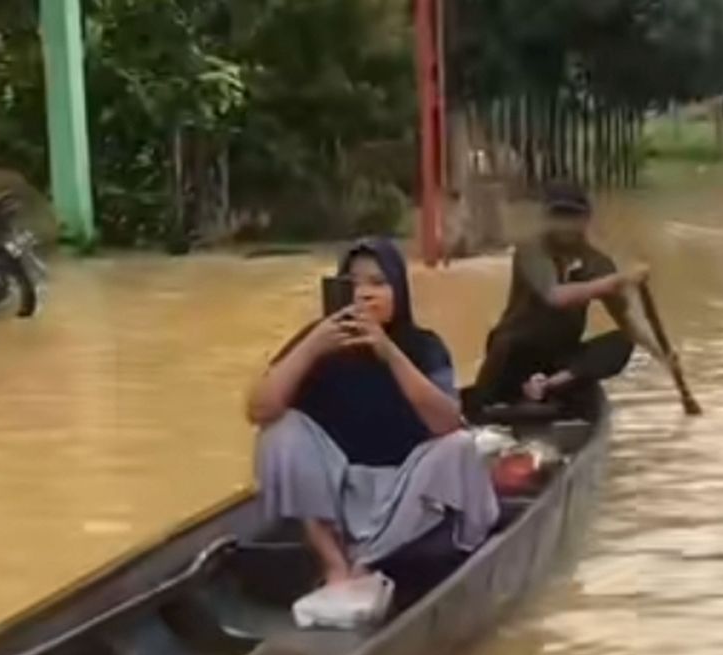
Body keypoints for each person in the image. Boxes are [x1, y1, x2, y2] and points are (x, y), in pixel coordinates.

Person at [248, 238, 499, 586]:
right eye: (353, 284)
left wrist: (387, 351)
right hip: (338, 490)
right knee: (278, 432)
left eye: (378, 284)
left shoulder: (422, 345)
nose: (364, 294)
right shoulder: (318, 342)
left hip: (407, 497)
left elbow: (447, 422)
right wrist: (312, 346)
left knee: (461, 447)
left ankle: (367, 562)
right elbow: (259, 409)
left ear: (399, 291)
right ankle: (334, 562)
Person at [471, 181, 661, 415]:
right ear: (546, 219)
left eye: (572, 216)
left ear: (585, 219)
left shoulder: (597, 263)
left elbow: (626, 322)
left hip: (559, 357)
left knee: (621, 341)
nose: (565, 226)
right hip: (515, 353)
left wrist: (661, 353)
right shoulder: (531, 252)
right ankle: (506, 396)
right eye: (558, 216)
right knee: (503, 350)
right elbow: (555, 297)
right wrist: (618, 281)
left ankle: (547, 385)